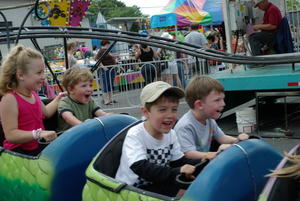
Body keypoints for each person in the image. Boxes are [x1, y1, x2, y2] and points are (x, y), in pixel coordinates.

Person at [115, 81, 201, 197]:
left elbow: (179, 162)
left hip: (156, 183)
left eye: (174, 109)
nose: (170, 115)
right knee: (188, 193)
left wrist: (206, 161)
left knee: (197, 187)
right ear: (146, 112)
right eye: (162, 110)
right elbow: (141, 167)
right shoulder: (135, 135)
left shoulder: (171, 134)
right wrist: (179, 171)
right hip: (131, 190)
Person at [0, 45, 63, 156]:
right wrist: (38, 134)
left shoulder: (33, 93)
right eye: (39, 73)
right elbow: (11, 135)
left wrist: (59, 98)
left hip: (37, 148)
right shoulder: (10, 98)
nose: (43, 77)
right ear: (21, 75)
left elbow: (46, 113)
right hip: (18, 154)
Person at [174, 76, 249, 160]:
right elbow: (188, 153)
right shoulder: (185, 126)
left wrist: (238, 141)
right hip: (191, 166)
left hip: (205, 161)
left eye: (223, 99)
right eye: (217, 100)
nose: (223, 104)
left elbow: (221, 137)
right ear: (199, 105)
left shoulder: (209, 119)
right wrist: (216, 154)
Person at [57, 67, 111, 132]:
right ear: (71, 90)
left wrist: (110, 117)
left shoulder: (90, 101)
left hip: (86, 133)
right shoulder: (65, 102)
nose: (89, 89)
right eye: (84, 86)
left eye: (90, 85)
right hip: (68, 137)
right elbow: (68, 118)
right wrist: (84, 126)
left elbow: (100, 113)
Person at [95, 40, 117, 105]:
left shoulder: (107, 51)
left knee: (110, 84)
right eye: (108, 44)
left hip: (111, 69)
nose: (109, 45)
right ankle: (106, 100)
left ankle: (110, 99)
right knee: (106, 85)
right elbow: (97, 59)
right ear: (106, 44)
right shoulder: (101, 51)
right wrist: (103, 67)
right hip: (106, 70)